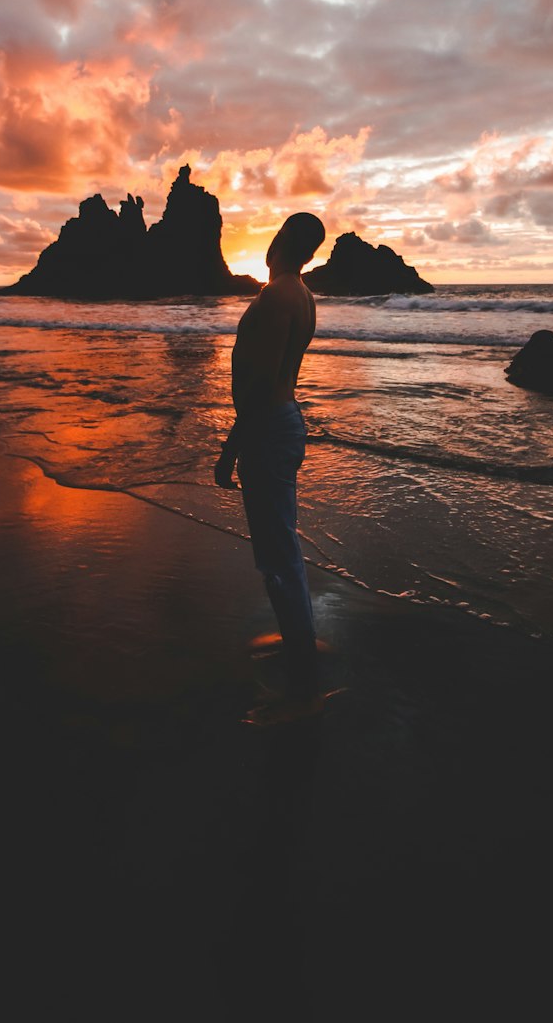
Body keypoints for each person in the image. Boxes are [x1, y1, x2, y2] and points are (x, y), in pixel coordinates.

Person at [214, 212, 326, 725]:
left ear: (281, 240)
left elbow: (260, 384)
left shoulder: (277, 296)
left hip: (268, 426)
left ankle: (302, 682)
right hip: (283, 422)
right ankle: (297, 641)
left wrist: (230, 449)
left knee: (277, 551)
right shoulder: (302, 296)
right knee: (281, 542)